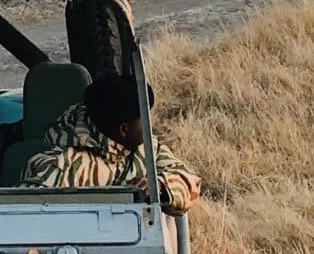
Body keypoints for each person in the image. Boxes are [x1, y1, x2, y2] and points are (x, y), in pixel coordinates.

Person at [24, 71, 202, 212]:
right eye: (144, 120)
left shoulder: (146, 149)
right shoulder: (61, 165)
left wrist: (160, 185)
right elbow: (24, 213)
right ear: (124, 130)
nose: (150, 125)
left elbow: (190, 182)